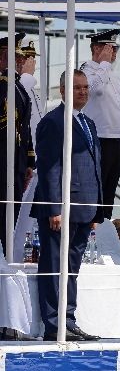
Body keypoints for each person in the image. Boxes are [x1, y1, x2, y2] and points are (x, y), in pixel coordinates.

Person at [30, 69, 101, 341]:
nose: (82, 92)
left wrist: (97, 209)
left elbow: (93, 167)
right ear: (63, 90)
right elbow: (49, 168)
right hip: (60, 209)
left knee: (72, 268)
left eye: (85, 87)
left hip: (84, 208)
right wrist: (54, 208)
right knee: (53, 266)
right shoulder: (53, 122)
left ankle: (68, 320)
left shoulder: (88, 123)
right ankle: (54, 324)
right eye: (76, 88)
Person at [80, 29, 120, 221]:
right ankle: (91, 235)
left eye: (115, 49)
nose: (114, 53)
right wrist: (105, 63)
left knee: (108, 197)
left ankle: (103, 232)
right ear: (97, 48)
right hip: (98, 140)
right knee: (95, 195)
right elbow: (94, 90)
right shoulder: (86, 71)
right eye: (110, 48)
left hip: (115, 142)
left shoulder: (112, 75)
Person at [0, 33, 35, 250]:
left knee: (13, 213)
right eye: (16, 56)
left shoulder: (16, 87)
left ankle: (8, 252)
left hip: (16, 161)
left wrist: (29, 161)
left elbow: (25, 128)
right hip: (4, 160)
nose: (21, 60)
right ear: (3, 57)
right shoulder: (4, 86)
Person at [17, 40, 45, 147]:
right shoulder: (17, 84)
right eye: (26, 57)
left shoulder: (31, 87)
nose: (31, 62)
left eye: (32, 57)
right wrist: (27, 75)